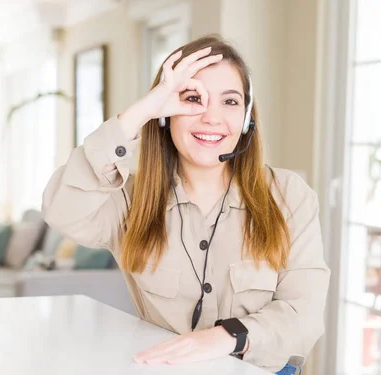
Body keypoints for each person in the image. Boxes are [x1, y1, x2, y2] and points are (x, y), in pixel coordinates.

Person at [42, 34, 330, 374]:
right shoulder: (129, 201)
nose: (211, 118)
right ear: (166, 116)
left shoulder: (288, 195)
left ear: (248, 118)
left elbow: (304, 314)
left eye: (230, 102)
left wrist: (224, 338)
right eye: (193, 99)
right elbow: (62, 208)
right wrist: (142, 112)